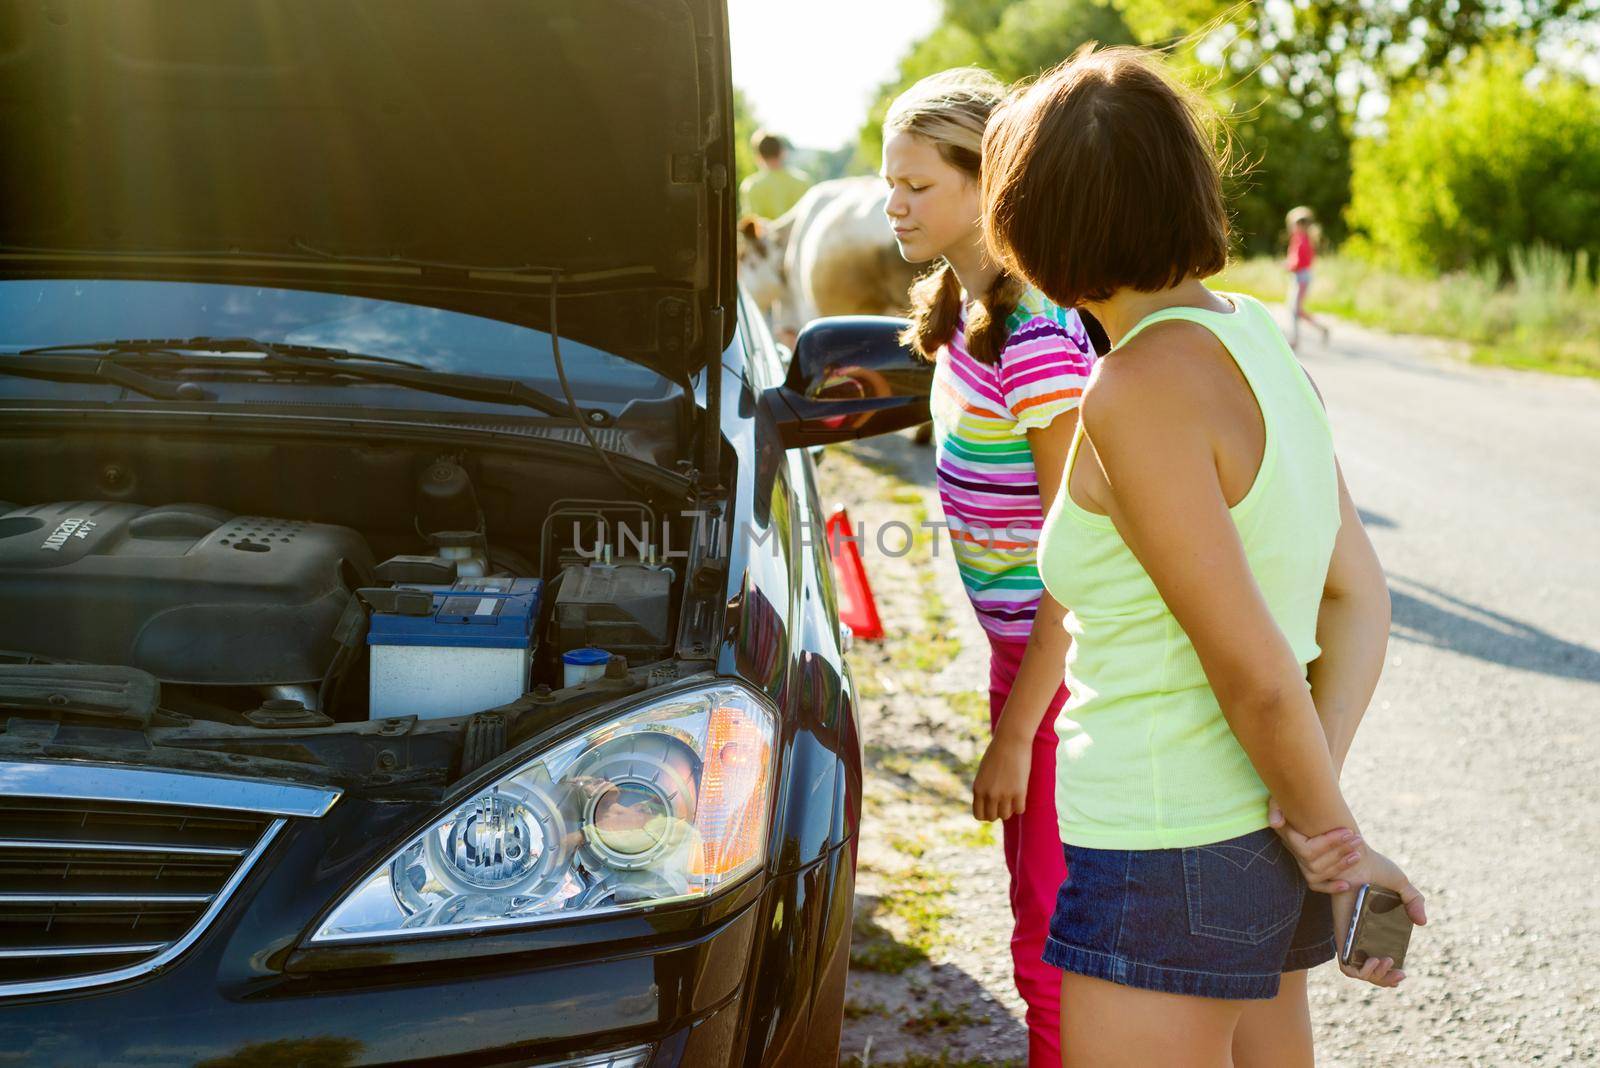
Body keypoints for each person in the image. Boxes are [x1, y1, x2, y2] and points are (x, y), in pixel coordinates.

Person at [980, 46, 1426, 1067]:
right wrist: (1308, 806)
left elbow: (1256, 668)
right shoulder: (1261, 340)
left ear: (1035, 224)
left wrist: (1340, 845)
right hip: (1256, 843)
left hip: (1159, 846)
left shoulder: (1134, 390)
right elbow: (1356, 597)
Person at [881, 67, 1097, 1068]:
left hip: (1063, 670)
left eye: (918, 186)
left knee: (1049, 943)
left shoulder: (1037, 331)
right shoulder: (960, 318)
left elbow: (1079, 549)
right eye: (890, 183)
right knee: (1032, 916)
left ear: (986, 183)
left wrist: (1015, 732)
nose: (894, 205)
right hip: (1016, 657)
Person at [739, 130, 811, 221]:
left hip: (766, 235)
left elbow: (753, 225)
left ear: (758, 156)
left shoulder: (750, 185)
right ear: (783, 152)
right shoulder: (803, 181)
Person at [1285, 206, 1329, 347]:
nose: (1294, 227)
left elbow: (1301, 261)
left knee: (1295, 310)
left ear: (1302, 226)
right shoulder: (1300, 239)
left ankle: (1296, 340)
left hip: (1302, 277)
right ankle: (1319, 329)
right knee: (1295, 309)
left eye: (1296, 225)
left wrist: (1289, 266)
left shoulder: (1303, 241)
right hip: (1300, 276)